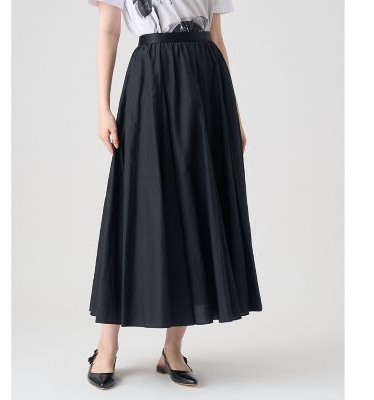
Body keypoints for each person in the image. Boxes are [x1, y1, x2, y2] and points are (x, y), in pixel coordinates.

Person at [87, 0, 262, 389]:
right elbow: (108, 30)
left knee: (194, 205)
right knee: (135, 206)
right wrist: (102, 107)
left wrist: (233, 114)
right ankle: (107, 345)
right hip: (152, 76)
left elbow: (216, 37)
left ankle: (173, 347)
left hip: (207, 83)